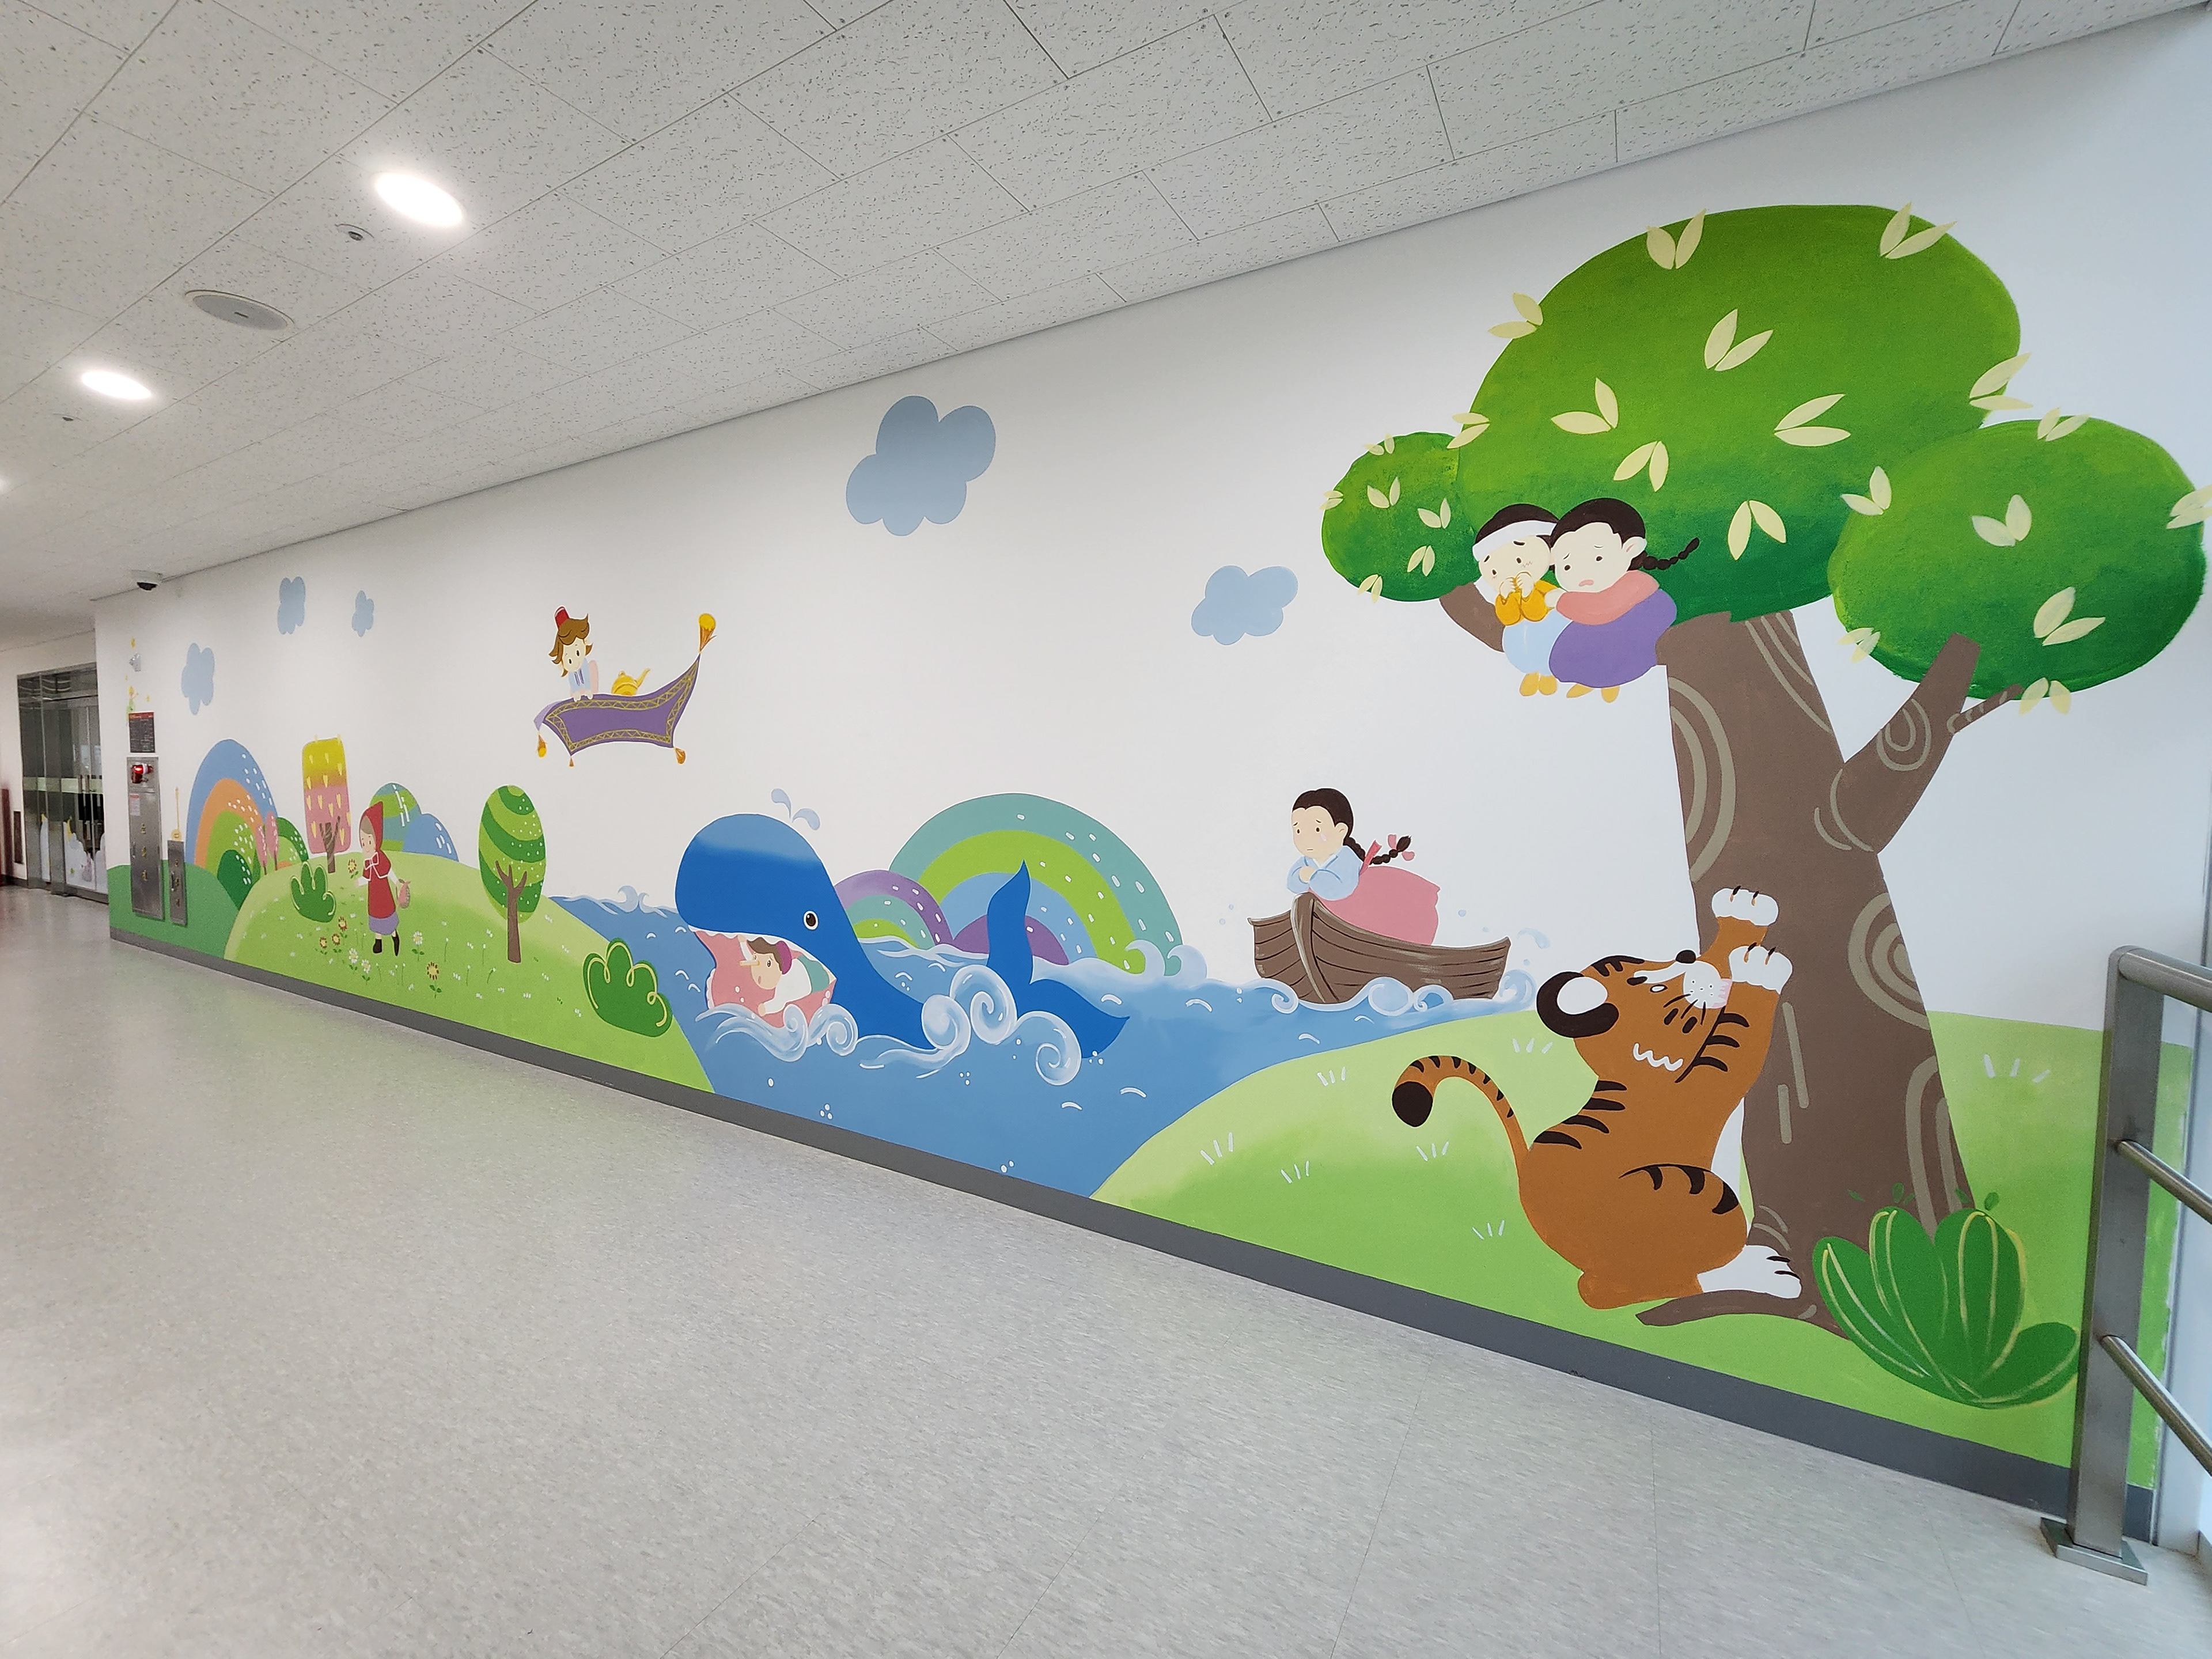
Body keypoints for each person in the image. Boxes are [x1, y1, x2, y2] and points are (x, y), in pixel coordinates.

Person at [1546, 498, 1696, 700]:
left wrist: (1562, 602)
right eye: (1567, 566)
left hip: (1629, 650)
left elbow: (1600, 611)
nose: (1582, 572)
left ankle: (1609, 683)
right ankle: (1588, 682)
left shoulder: (1635, 583)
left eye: (1598, 558)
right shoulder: (1590, 597)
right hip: (1602, 643)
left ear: (1630, 548)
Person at [1472, 503, 1566, 696]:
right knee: (1520, 649)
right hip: (1519, 637)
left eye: (1518, 561)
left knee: (1547, 648)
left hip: (1547, 632)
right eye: (1494, 571)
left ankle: (1548, 674)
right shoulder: (1506, 593)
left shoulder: (1541, 587)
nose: (1508, 572)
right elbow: (1509, 618)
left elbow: (1537, 614)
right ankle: (1531, 672)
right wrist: (1505, 598)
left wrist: (1528, 594)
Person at [1288, 787, 1366, 901]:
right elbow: (1292, 885)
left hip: (1345, 908)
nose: (1307, 839)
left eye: (1317, 830)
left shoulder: (1347, 858)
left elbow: (1340, 890)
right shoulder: (1307, 861)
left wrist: (1314, 877)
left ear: (1341, 831)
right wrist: (1300, 876)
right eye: (1299, 831)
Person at [358, 801, 397, 954]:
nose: (366, 846)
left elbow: (388, 871)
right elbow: (367, 877)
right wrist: (359, 882)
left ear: (376, 839)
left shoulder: (381, 857)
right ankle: (378, 941)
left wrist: (397, 882)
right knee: (376, 916)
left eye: (369, 841)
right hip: (374, 895)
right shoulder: (367, 861)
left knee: (387, 915)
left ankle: (394, 936)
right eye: (363, 843)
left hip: (383, 893)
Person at [549, 607, 599, 699]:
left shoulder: (585, 664)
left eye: (577, 653)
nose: (576, 663)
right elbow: (573, 682)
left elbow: (587, 676)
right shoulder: (571, 672)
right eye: (570, 661)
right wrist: (576, 692)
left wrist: (588, 689)